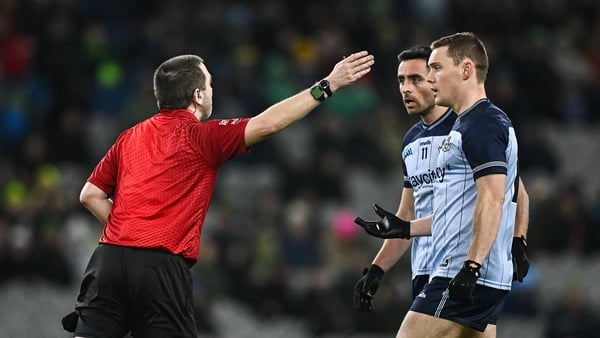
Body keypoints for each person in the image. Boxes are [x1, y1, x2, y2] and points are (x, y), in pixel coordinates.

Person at [60, 51, 375, 338]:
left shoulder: (129, 137)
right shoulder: (200, 136)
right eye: (209, 83)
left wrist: (130, 231)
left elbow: (90, 195)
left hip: (107, 260)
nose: (212, 89)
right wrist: (328, 85)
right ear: (198, 95)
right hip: (159, 266)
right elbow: (269, 124)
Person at [354, 32, 524, 338]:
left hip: (461, 267)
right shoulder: (429, 136)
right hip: (439, 268)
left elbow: (505, 196)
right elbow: (449, 211)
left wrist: (497, 252)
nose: (420, 83)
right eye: (401, 80)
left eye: (431, 71)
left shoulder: (480, 124)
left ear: (466, 69)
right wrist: (390, 250)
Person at [353, 45, 456, 312]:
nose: (405, 88)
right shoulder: (410, 141)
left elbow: (508, 190)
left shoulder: (466, 128)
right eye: (401, 80)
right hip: (423, 270)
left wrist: (518, 239)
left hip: (459, 267)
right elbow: (406, 216)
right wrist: (377, 269)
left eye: (415, 79)